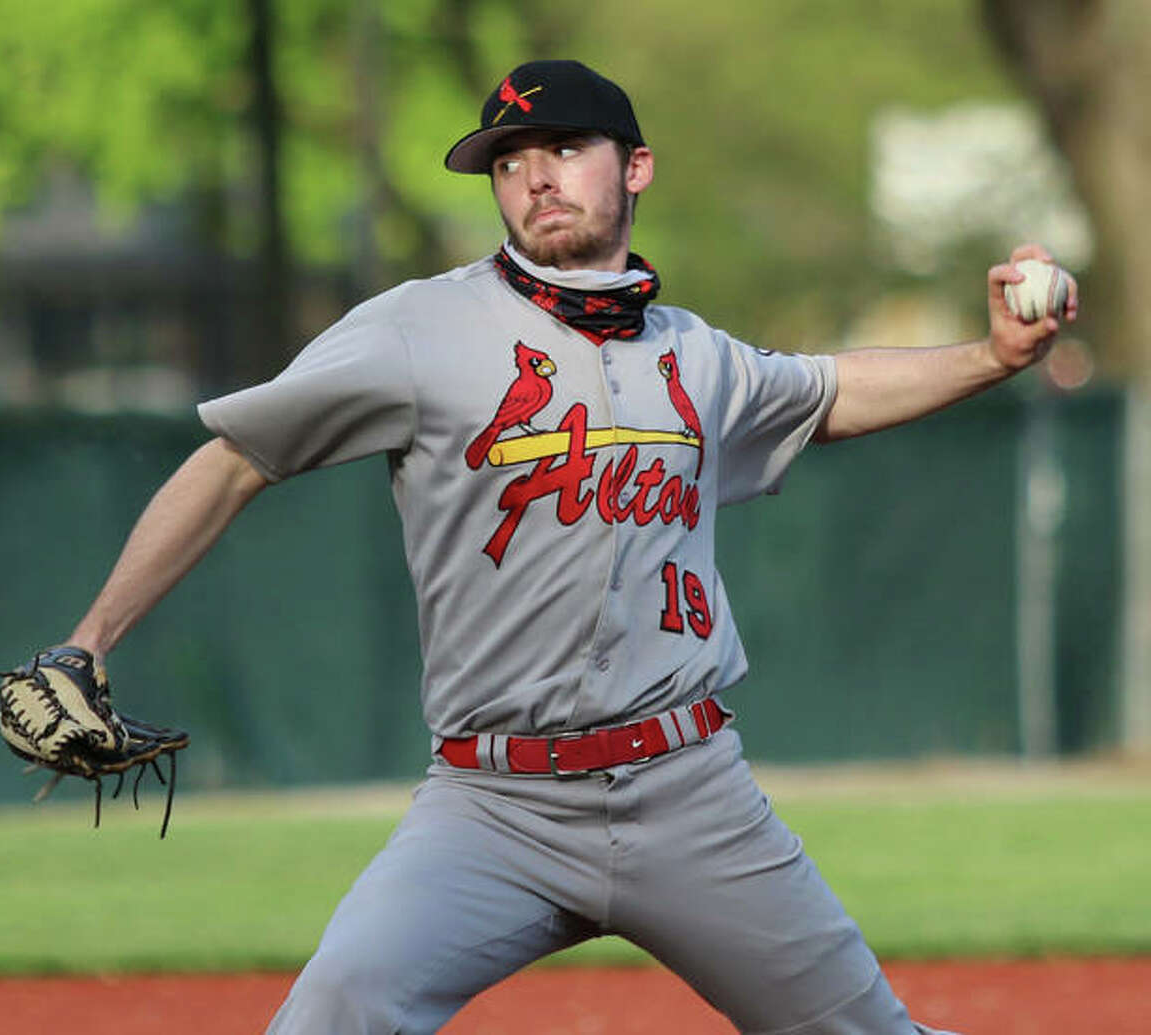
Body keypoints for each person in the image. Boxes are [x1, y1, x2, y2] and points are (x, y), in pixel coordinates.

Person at [63, 60, 1076, 1034]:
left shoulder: (695, 355)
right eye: (509, 161)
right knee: (338, 1013)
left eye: (564, 147)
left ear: (635, 166)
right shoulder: (420, 329)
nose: (535, 175)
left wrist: (993, 356)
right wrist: (89, 641)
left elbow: (833, 391)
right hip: (490, 807)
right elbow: (234, 458)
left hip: (690, 793)